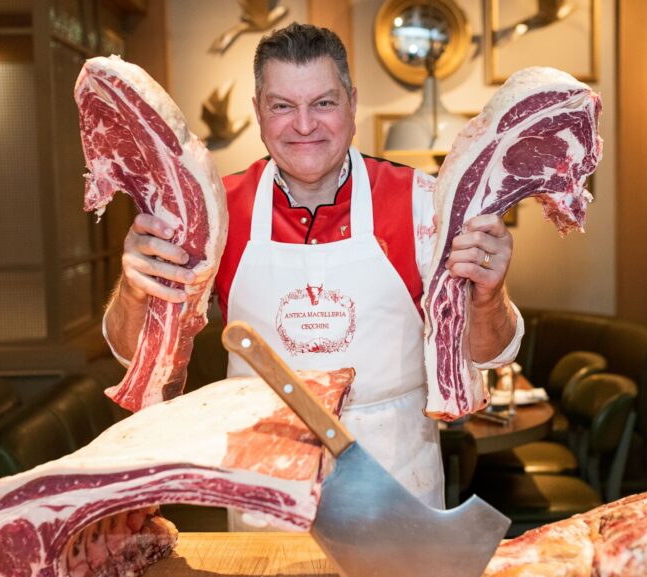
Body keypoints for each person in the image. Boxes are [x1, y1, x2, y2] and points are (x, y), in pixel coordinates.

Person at [103, 22, 523, 522]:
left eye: (323, 103)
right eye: (282, 106)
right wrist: (133, 289)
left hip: (395, 480)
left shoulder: (421, 203)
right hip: (266, 491)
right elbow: (135, 353)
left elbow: (489, 352)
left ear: (352, 104)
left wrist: (488, 296)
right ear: (258, 112)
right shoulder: (217, 211)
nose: (304, 125)